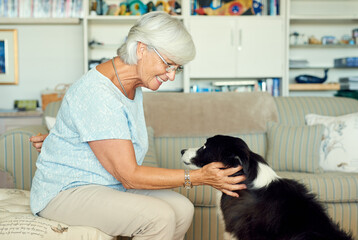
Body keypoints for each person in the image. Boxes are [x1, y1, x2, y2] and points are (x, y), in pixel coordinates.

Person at [29, 12, 246, 240]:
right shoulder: (98, 92)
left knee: (182, 209)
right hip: (66, 192)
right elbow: (129, 175)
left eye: (177, 68)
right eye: (169, 64)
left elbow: (102, 132)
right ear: (142, 49)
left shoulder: (132, 85)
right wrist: (198, 177)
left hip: (106, 184)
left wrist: (61, 138)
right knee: (158, 217)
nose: (172, 76)